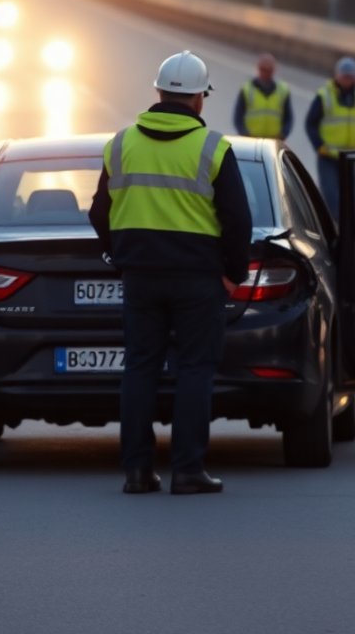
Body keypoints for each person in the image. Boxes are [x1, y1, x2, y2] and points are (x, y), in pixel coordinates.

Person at [89, 51, 252, 495]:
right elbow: (238, 220)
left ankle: (138, 472)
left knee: (139, 368)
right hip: (199, 280)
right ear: (199, 99)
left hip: (141, 277)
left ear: (158, 92)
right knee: (196, 369)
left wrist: (120, 257)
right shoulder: (213, 148)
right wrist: (233, 274)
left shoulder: (121, 144)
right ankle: (187, 470)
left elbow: (99, 213)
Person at [304, 56, 355, 212]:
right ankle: (332, 230)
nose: (347, 79)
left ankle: (345, 231)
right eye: (344, 76)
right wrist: (319, 145)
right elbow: (311, 124)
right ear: (337, 75)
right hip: (328, 156)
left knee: (349, 199)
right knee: (330, 198)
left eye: (350, 76)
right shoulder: (324, 96)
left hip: (351, 158)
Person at [232, 52, 293, 139]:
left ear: (273, 70)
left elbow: (288, 118)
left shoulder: (283, 91)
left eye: (269, 70)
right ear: (259, 69)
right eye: (263, 69)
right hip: (252, 140)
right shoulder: (247, 89)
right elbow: (238, 118)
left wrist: (283, 134)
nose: (266, 73)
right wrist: (244, 134)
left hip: (273, 141)